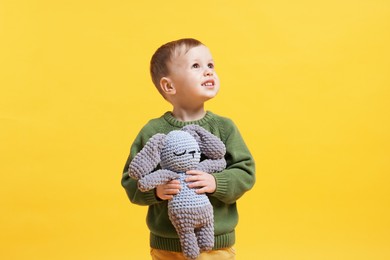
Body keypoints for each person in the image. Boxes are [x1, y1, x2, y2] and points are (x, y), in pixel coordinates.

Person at [121, 38, 255, 260]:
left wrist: (216, 182)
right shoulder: (153, 131)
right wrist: (156, 191)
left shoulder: (224, 127)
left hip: (215, 244)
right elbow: (131, 179)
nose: (208, 72)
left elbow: (246, 171)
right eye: (196, 66)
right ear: (169, 85)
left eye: (210, 65)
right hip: (167, 245)